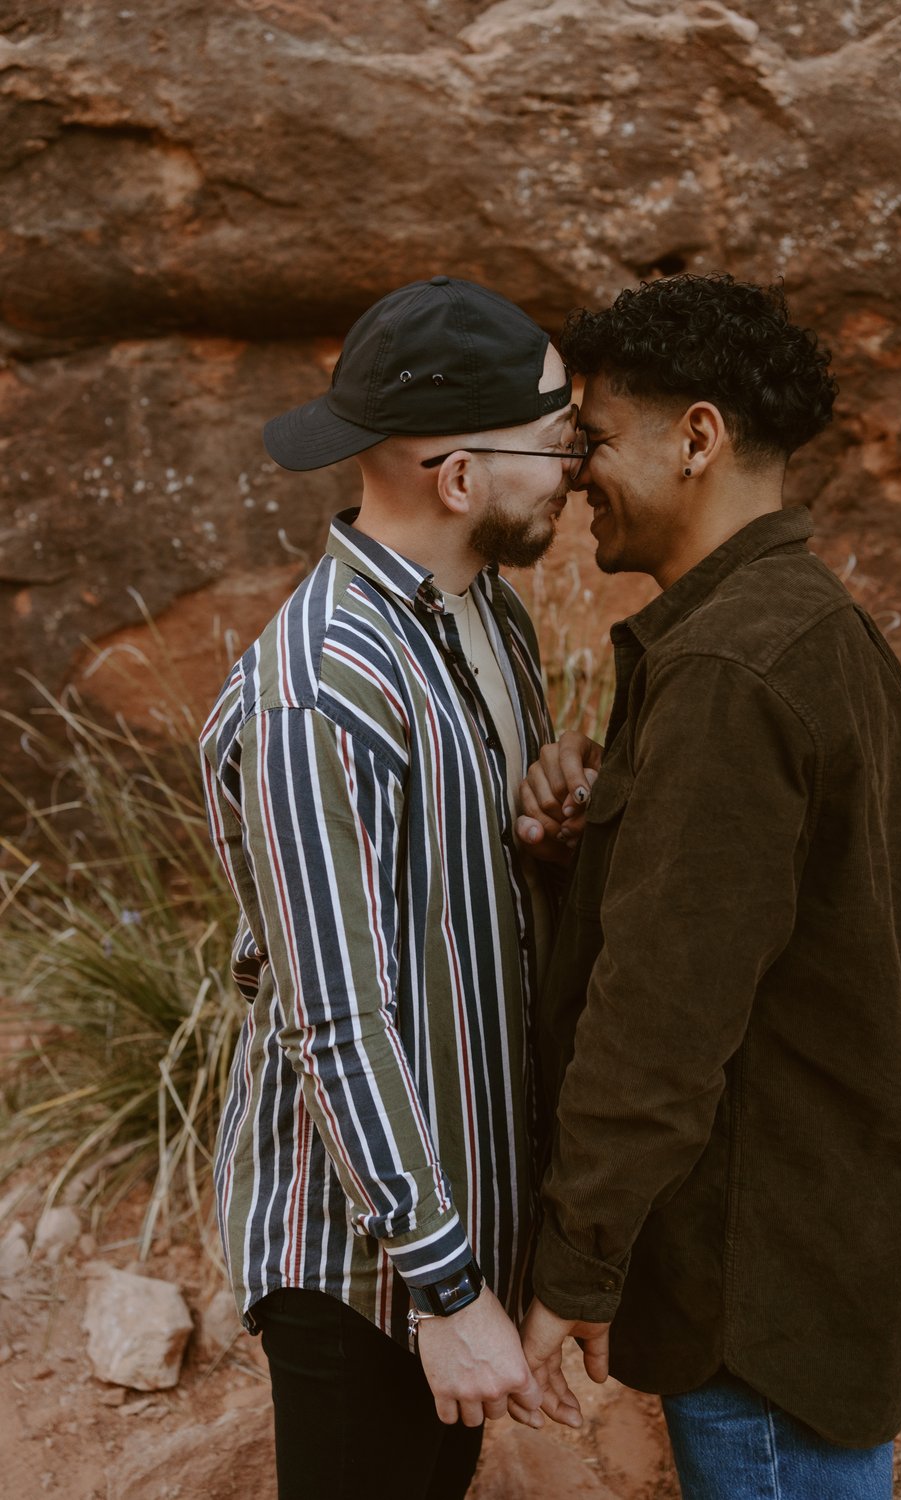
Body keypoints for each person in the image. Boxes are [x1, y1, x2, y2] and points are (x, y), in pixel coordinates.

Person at [511, 273, 901, 1499]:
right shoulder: (804, 624)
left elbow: (665, 1014)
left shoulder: (728, 664)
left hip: (763, 1297)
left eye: (594, 439)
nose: (571, 472)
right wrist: (596, 833)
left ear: (696, 437)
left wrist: (574, 1271)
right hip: (817, 1260)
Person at [199, 275, 589, 1499]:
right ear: (458, 477)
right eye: (553, 438)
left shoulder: (492, 618)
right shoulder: (321, 691)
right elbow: (337, 1020)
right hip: (365, 1268)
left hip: (462, 1230)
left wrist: (543, 832)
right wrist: (449, 1290)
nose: (575, 464)